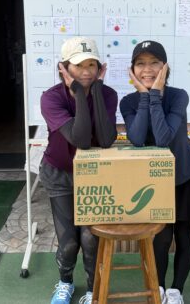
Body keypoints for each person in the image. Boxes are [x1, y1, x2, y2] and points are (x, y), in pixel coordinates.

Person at [120, 40, 190, 304]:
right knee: (161, 238)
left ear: (165, 67)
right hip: (154, 181)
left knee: (183, 235)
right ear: (132, 69)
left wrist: (154, 95)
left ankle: (176, 291)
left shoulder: (178, 96)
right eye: (141, 63)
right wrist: (145, 97)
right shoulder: (128, 102)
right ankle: (159, 288)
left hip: (184, 176)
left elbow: (164, 138)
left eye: (154, 63)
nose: (147, 69)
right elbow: (137, 138)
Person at [39, 36, 118, 304]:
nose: (86, 72)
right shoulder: (51, 98)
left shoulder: (108, 95)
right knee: (69, 242)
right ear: (64, 68)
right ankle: (65, 282)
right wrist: (80, 95)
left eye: (91, 65)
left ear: (99, 68)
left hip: (95, 174)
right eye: (78, 65)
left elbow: (105, 139)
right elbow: (80, 138)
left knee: (90, 238)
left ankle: (93, 290)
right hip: (59, 173)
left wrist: (95, 92)